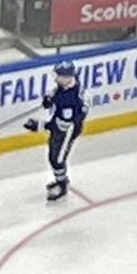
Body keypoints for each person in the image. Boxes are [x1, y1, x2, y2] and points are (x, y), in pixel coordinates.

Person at [23, 61, 87, 201]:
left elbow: (60, 124)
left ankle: (62, 185)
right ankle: (60, 180)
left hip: (67, 131)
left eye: (59, 76)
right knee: (53, 156)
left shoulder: (69, 100)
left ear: (67, 77)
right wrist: (50, 97)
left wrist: (39, 126)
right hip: (62, 127)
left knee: (56, 159)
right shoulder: (69, 84)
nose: (56, 79)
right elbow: (57, 93)